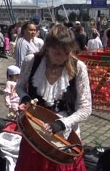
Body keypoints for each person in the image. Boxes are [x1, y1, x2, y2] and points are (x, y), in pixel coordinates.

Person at [15, 24, 91, 171]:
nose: (62, 57)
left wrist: (62, 123)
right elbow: (20, 86)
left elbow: (86, 107)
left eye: (66, 53)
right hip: (34, 130)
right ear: (48, 47)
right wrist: (24, 98)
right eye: (57, 52)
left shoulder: (79, 67)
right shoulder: (32, 61)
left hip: (64, 134)